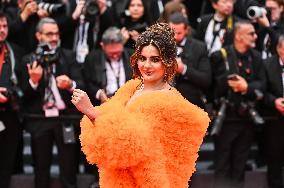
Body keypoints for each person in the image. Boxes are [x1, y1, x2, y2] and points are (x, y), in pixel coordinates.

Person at [72, 22, 210, 187]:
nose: (146, 65)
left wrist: (91, 112)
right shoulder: (132, 87)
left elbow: (130, 147)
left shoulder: (168, 103)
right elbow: (113, 116)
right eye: (142, 58)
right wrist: (94, 113)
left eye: (155, 60)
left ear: (167, 62)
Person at [17, 17, 84, 188]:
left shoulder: (68, 56)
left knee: (69, 169)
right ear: (39, 35)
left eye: (56, 34)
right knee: (41, 168)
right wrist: (33, 81)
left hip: (66, 119)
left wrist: (70, 85)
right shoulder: (28, 60)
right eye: (49, 34)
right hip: (39, 119)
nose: (54, 38)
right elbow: (20, 97)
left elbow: (82, 86)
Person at [210, 20, 266, 188]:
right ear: (238, 36)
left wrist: (246, 87)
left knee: (240, 167)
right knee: (222, 166)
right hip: (225, 119)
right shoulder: (220, 56)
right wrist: (227, 82)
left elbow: (262, 84)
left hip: (247, 119)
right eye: (251, 33)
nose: (255, 36)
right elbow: (210, 87)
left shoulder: (256, 57)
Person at [0, 11, 24, 188]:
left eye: (5, 26)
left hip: (10, 114)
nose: (2, 30)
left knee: (6, 163)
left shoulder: (16, 50)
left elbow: (22, 85)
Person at [168, 12, 211, 108]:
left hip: (191, 103)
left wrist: (184, 69)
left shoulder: (199, 47)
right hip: (165, 103)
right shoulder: (159, 47)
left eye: (179, 33)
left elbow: (206, 80)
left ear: (186, 30)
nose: (174, 36)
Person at [83, 26, 133, 105]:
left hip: (130, 102)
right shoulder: (92, 58)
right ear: (102, 46)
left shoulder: (133, 56)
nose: (115, 56)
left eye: (118, 52)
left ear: (122, 44)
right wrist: (100, 94)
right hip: (102, 104)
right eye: (111, 53)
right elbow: (87, 83)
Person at [263, 35, 284, 188]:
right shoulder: (267, 65)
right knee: (274, 160)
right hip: (274, 120)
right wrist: (274, 101)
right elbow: (261, 90)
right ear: (279, 49)